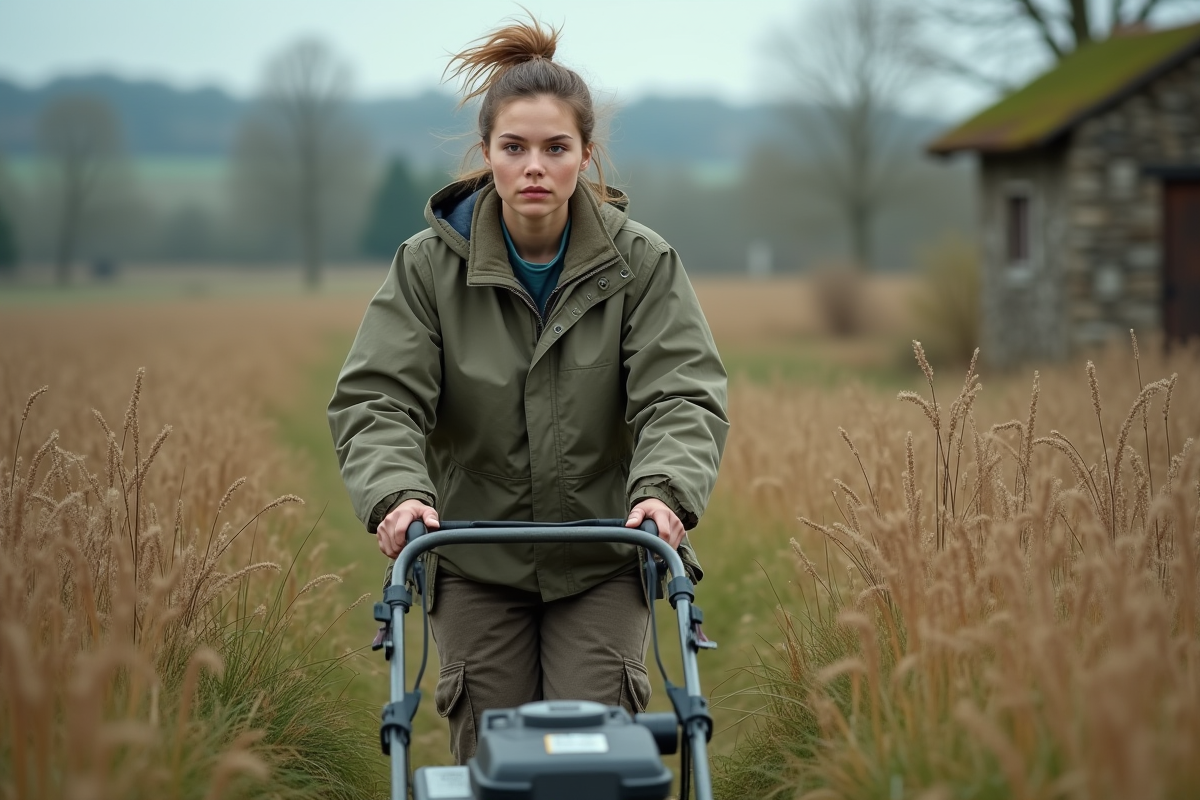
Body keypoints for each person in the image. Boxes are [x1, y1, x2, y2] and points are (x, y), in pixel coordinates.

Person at [327, 15, 728, 765]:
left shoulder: (642, 265)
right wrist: (397, 495)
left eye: (555, 148)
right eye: (514, 148)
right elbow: (378, 398)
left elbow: (682, 392)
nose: (534, 167)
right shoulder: (426, 268)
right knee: (497, 759)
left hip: (606, 552)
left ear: (585, 156)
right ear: (487, 156)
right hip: (475, 556)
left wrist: (665, 492)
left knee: (591, 757)